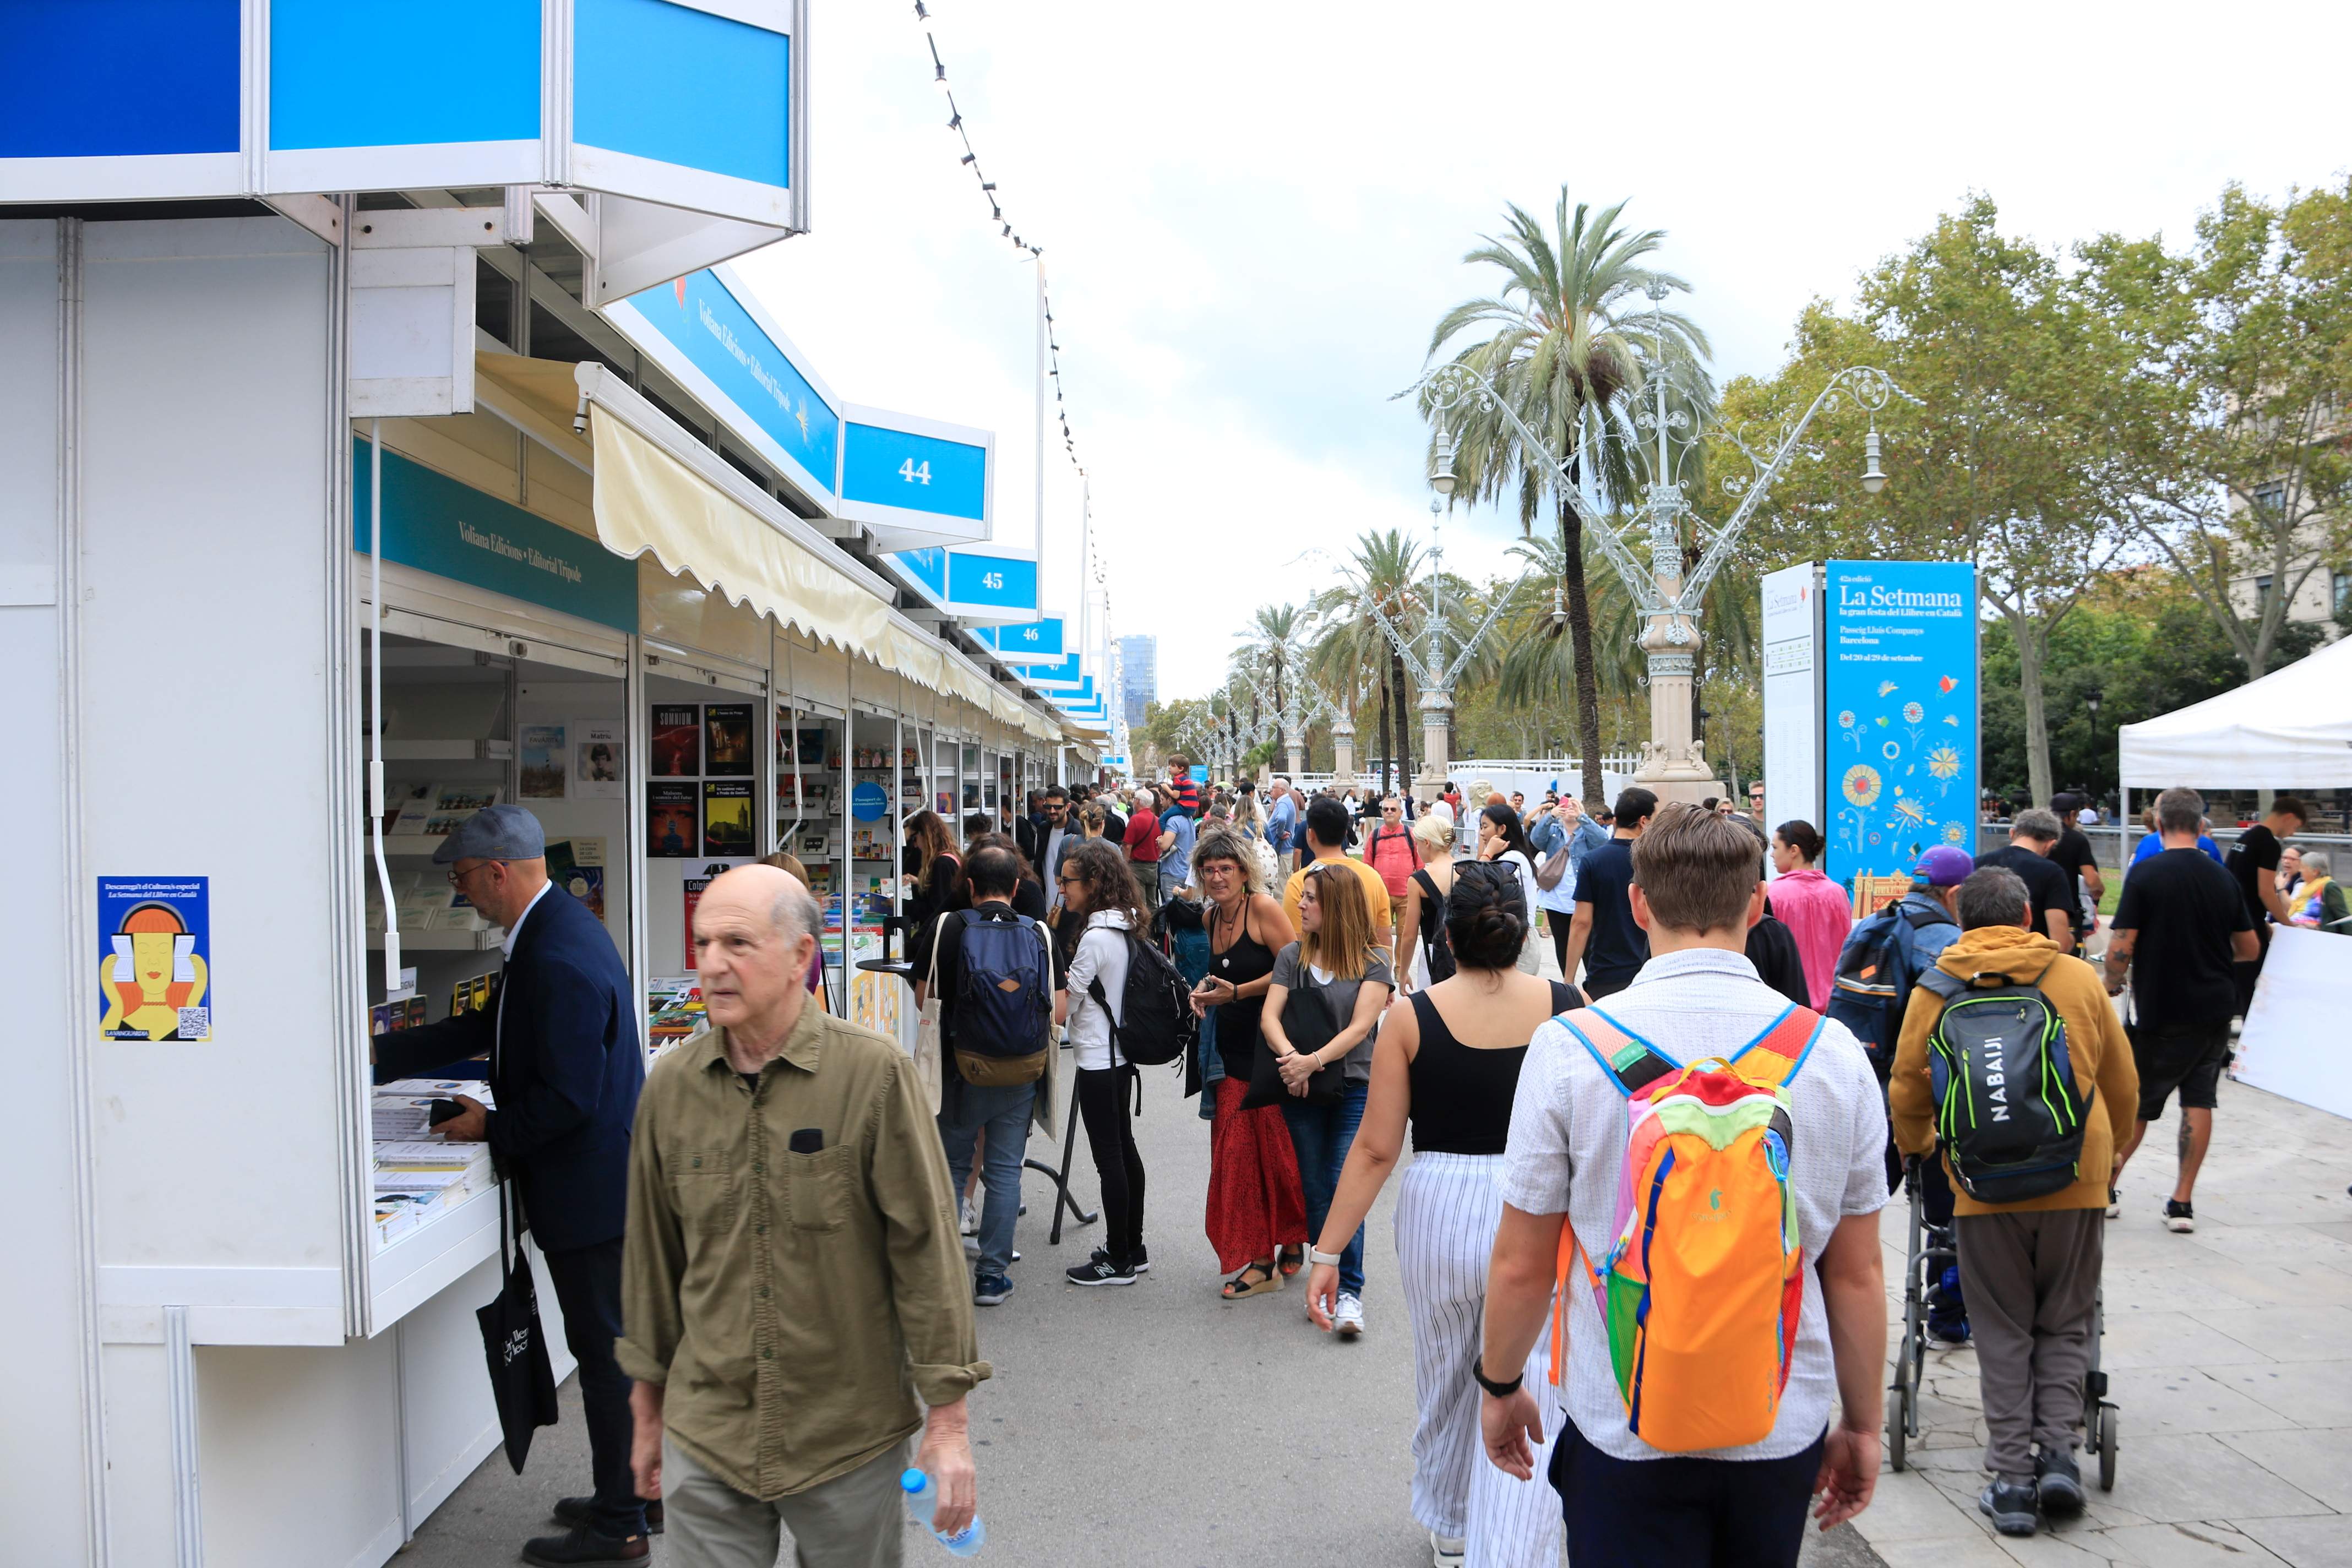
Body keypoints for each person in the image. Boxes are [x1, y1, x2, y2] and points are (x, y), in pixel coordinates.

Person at [1479, 803, 1889, 1566]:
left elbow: (1523, 1263)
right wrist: (1862, 1426)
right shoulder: (1832, 1055)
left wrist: (1499, 1383)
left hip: (1621, 1423)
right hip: (1776, 1423)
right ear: (1758, 904)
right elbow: (1857, 1273)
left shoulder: (1569, 1048)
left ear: (1638, 905)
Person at [618, 867, 984, 1568]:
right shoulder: (670, 1087)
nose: (713, 963)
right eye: (703, 943)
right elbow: (652, 1263)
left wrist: (949, 1420)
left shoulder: (872, 1077)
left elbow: (927, 1251)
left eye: (738, 942)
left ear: (800, 957)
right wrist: (646, 1406)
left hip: (845, 1434)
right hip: (709, 1430)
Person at [371, 808, 649, 1566]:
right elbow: (486, 1029)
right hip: (600, 1183)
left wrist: (489, 1130)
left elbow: (568, 1098)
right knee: (613, 1351)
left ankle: (621, 1524)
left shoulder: (554, 956)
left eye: (462, 879)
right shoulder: (557, 932)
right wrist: (370, 1056)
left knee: (605, 1357)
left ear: (497, 871)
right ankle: (632, 1494)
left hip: (590, 1194)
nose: (462, 895)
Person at [1305, 863, 1581, 1567]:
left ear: (1446, 937)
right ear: (1522, 933)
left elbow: (1373, 1150)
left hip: (1440, 1206)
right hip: (1540, 1207)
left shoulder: (1410, 1017)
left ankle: (1453, 1525)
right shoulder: (1568, 1004)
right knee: (1528, 1376)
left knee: (1446, 1372)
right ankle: (1519, 1539)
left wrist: (1329, 1252)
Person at [1888, 867, 2137, 1538]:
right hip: (2074, 1176)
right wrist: (2110, 1153)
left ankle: (2012, 1480)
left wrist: (1921, 1149)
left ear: (1959, 915)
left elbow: (1908, 1085)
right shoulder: (2078, 978)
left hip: (1982, 1185)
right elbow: (2123, 1082)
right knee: (2066, 1316)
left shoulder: (1937, 986)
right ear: (2028, 914)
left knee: (2003, 1329)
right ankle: (2058, 1453)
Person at [2104, 787, 2260, 1233]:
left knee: (2138, 1103)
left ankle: (2106, 1187)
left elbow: (2122, 944)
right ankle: (2181, 1203)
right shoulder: (2221, 877)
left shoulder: (2147, 874)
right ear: (2200, 823)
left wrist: (2111, 985)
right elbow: (2248, 947)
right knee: (2199, 1098)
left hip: (2163, 1004)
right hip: (2215, 1006)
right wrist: (2208, 956)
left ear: (2157, 821)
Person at [1261, 862, 1396, 1336]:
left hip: (1355, 1083)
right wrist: (1292, 1060)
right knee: (1316, 1188)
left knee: (1345, 1186)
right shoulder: (1292, 956)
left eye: (1311, 898)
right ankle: (1328, 1282)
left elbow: (1363, 1027)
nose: (1300, 904)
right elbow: (1270, 1018)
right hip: (1298, 1083)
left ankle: (1350, 1292)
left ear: (1335, 905)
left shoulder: (1375, 959)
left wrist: (1309, 1062)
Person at [926, 846, 1056, 1307]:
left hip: (961, 1067)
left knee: (952, 1164)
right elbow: (1055, 1005)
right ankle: (991, 1277)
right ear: (1017, 888)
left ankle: (941, 1272)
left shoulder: (951, 927)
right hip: (1020, 1069)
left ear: (970, 885)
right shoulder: (1037, 931)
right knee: (1004, 1171)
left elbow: (926, 991)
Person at [1192, 825, 1308, 1297]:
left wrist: (1239, 992)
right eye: (1209, 870)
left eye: (1225, 869)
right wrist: (1205, 990)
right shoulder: (1209, 919)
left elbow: (1296, 968)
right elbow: (1224, 974)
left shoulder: (1261, 908)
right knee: (1240, 1157)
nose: (1217, 877)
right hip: (1229, 1054)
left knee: (1275, 1156)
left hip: (1271, 1050)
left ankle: (1274, 1254)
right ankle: (1267, 1252)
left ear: (1244, 872)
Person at [1054, 839, 1153, 1286]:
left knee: (1109, 1157)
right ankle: (1133, 1245)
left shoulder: (1094, 937)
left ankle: (1117, 1258)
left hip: (1097, 1056)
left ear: (1093, 883)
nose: (1062, 889)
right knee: (1124, 1150)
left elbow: (1065, 1007)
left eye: (1069, 881)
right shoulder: (1126, 926)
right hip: (1120, 1055)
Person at [1559, 787, 1658, 998]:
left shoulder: (1593, 861)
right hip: (1650, 972)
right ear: (1643, 821)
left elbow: (1581, 922)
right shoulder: (1657, 861)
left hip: (1606, 973)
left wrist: (1569, 980)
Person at [2224, 796, 2305, 1016]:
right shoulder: (2269, 843)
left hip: (2233, 919)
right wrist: (2287, 924)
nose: (2293, 833)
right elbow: (2265, 891)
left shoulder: (2245, 837)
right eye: (2295, 827)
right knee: (2257, 981)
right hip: (2250, 923)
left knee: (2240, 981)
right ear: (2288, 817)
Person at [1284, 795, 1395, 954]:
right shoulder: (1373, 877)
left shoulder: (1298, 882)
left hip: (1316, 975)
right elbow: (1384, 939)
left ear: (1311, 834)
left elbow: (1296, 943)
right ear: (1345, 833)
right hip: (1365, 973)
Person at [1767, 820, 1851, 1009]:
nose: (1772, 854)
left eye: (1775, 847)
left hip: (1788, 1004)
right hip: (1833, 1003)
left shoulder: (1773, 894)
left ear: (1794, 850)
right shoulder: (1837, 893)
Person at [1530, 795, 1610, 981]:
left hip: (1582, 897)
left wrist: (1582, 816)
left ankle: (1593, 981)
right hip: (1556, 898)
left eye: (1574, 806)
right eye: (1566, 807)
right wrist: (1551, 815)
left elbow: (1602, 840)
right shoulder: (1554, 830)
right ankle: (1569, 981)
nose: (1569, 810)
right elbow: (1536, 839)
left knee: (1589, 944)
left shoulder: (1587, 831)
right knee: (1562, 943)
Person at [1974, 808, 2075, 949]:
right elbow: (2060, 942)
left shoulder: (1977, 864)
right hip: (2031, 962)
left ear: (2012, 833)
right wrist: (2071, 940)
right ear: (2050, 844)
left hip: (1979, 957)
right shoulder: (2053, 873)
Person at [1474, 801, 1544, 974]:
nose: (1481, 833)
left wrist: (1488, 853)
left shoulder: (1512, 860)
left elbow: (1472, 884)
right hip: (1515, 938)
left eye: (1485, 827)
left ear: (1502, 829)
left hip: (1517, 941)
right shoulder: (1514, 856)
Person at [1397, 811, 1458, 993]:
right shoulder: (1468, 870)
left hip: (1435, 952)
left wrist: (1403, 972)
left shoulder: (1418, 881)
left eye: (1417, 844)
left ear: (1427, 843)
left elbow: (1409, 934)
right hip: (1468, 953)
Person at [2044, 795, 2105, 955]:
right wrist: (2099, 888)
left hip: (2035, 908)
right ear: (2071, 814)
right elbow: (2091, 880)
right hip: (2066, 909)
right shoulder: (2077, 840)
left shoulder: (2037, 836)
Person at [1364, 793, 1424, 934]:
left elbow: (1420, 864)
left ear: (1401, 813)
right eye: (1386, 810)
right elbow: (1367, 866)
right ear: (1382, 813)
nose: (1389, 812)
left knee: (1405, 935)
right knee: (1381, 935)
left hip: (1406, 895)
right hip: (1381, 896)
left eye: (1393, 809)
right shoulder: (1375, 835)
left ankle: (1401, 958)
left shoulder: (1411, 834)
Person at [903, 810, 962, 936]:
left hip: (941, 935)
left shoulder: (942, 863)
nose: (915, 845)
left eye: (915, 838)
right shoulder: (950, 857)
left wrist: (903, 906)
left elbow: (936, 909)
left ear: (925, 835)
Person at [2129, 804, 2220, 867]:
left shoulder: (2149, 842)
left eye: (2156, 810)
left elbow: (2134, 877)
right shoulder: (2209, 845)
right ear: (2201, 826)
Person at [1157, 789, 1199, 910]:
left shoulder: (1173, 820)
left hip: (1173, 872)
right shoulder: (1189, 818)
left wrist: (1160, 841)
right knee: (1185, 910)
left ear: (1170, 800)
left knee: (1173, 912)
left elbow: (1165, 846)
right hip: (1186, 871)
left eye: (1162, 800)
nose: (1161, 803)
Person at [2288, 848, 2349, 930]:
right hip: (2297, 929)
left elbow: (2343, 916)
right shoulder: (2303, 887)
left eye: (2302, 867)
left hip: (2316, 934)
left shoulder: (2329, 887)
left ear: (2315, 871)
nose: (2300, 870)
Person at [1123, 785, 1162, 879]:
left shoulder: (1135, 820)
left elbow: (1128, 846)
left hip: (1138, 867)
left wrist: (1125, 865)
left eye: (1135, 799)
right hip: (1153, 866)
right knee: (1151, 894)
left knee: (1138, 893)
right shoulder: (1158, 820)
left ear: (1138, 801)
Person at [1266, 776, 1299, 863]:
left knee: (1282, 876)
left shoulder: (1283, 803)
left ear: (1282, 790)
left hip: (1282, 850)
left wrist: (1280, 833)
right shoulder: (1284, 802)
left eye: (1274, 788)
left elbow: (1281, 819)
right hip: (1282, 850)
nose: (1271, 790)